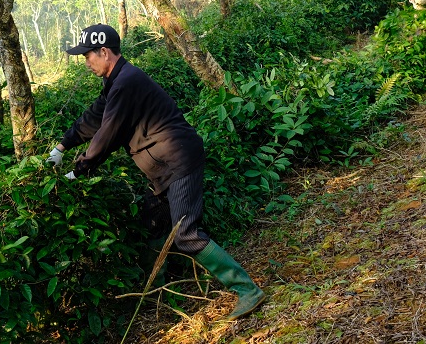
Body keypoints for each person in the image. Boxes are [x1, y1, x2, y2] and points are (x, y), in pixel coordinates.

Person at [46, 23, 265, 321]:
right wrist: (61, 146)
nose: (86, 62)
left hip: (177, 162)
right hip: (163, 168)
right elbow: (95, 117)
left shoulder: (126, 83)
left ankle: (247, 289)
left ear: (104, 52)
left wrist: (80, 169)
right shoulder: (116, 82)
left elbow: (107, 133)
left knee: (185, 234)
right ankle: (157, 294)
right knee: (153, 222)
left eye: (88, 56)